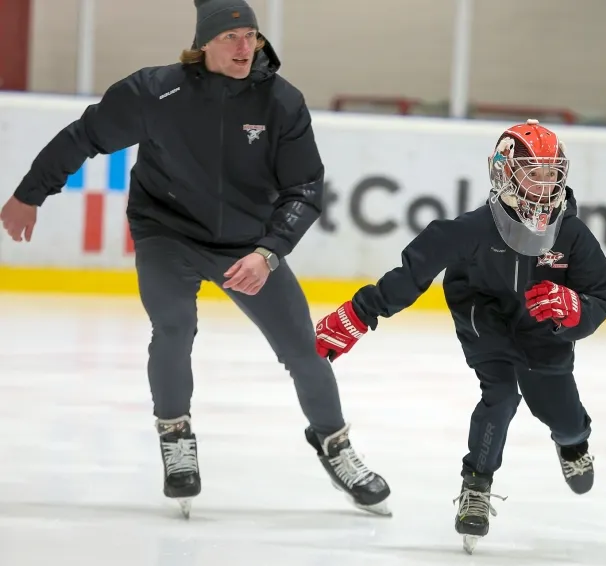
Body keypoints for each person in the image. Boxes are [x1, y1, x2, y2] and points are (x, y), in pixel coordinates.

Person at [0, 0, 390, 518]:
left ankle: (333, 442)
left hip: (248, 244)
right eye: (231, 37)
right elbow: (85, 136)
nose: (244, 47)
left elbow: (305, 188)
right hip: (167, 231)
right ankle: (176, 435)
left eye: (252, 36)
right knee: (174, 328)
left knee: (303, 349)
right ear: (204, 42)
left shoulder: (281, 102)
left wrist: (268, 252)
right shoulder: (155, 92)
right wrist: (30, 194)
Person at [313, 119, 606, 552]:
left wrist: (577, 312)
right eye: (534, 173)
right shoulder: (472, 230)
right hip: (483, 316)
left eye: (553, 174)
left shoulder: (571, 234)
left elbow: (601, 293)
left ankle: (572, 443)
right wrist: (360, 313)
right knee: (502, 394)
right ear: (504, 173)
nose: (546, 185)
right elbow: (412, 273)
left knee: (561, 414)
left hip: (542, 325)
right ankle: (476, 484)